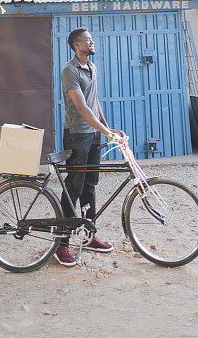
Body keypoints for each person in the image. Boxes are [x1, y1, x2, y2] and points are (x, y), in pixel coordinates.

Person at [54, 27, 124, 267]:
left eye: (91, 39)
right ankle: (61, 245)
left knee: (90, 185)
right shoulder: (69, 71)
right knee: (73, 187)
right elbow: (83, 109)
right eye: (87, 40)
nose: (92, 42)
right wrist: (105, 132)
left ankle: (87, 236)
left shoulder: (92, 68)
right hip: (77, 135)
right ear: (76, 45)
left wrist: (107, 129)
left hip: (93, 134)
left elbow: (95, 103)